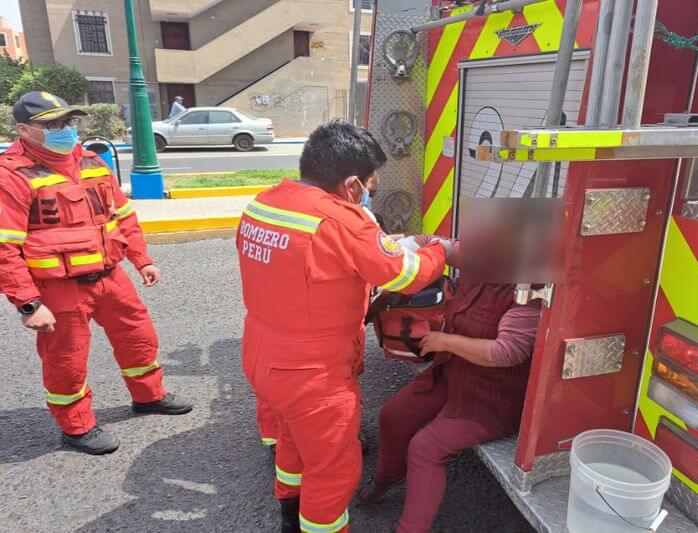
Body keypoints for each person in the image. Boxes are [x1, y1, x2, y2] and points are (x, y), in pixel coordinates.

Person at [237, 121, 450, 533]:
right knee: (333, 470)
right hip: (311, 377)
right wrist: (437, 248)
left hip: (263, 359)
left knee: (293, 443)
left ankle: (289, 516)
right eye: (370, 184)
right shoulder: (343, 220)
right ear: (352, 184)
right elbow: (406, 275)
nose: (369, 193)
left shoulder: (264, 203)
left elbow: (311, 267)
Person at [0, 92, 193, 455]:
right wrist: (27, 303)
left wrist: (142, 259)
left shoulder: (91, 162)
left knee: (139, 336)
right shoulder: (11, 176)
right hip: (59, 287)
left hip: (110, 276)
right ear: (25, 130)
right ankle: (76, 426)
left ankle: (149, 396)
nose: (65, 130)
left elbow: (122, 217)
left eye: (69, 122)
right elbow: (4, 247)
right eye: (53, 124)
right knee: (66, 359)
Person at [358, 238, 540, 533]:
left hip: (492, 396)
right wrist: (398, 244)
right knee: (393, 415)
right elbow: (437, 245)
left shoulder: (530, 292)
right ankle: (388, 476)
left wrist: (445, 341)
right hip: (452, 372)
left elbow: (507, 353)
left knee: (425, 448)